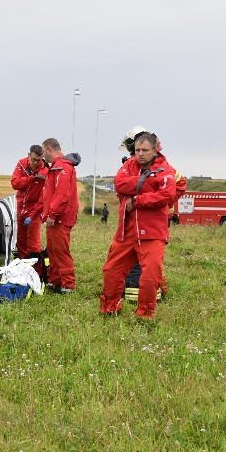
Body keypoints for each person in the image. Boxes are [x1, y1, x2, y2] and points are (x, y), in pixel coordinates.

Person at [99, 132, 176, 319]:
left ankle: (145, 315)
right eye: (137, 150)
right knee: (111, 271)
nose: (140, 154)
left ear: (155, 149)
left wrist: (138, 200)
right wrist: (147, 183)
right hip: (127, 231)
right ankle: (110, 308)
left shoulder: (166, 170)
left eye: (145, 150)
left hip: (152, 233)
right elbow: (119, 184)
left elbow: (167, 195)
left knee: (150, 276)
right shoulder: (128, 165)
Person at [119, 125, 186, 298]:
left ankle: (139, 292)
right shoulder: (134, 164)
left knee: (143, 258)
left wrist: (163, 202)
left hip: (152, 217)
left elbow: (179, 185)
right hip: (137, 215)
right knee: (152, 260)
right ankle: (159, 289)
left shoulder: (161, 167)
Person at [40, 138, 81, 294]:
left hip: (60, 218)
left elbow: (62, 194)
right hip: (55, 217)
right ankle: (56, 280)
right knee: (52, 250)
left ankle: (68, 284)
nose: (43, 156)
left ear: (50, 149)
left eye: (44, 152)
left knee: (61, 250)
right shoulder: (57, 167)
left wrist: (53, 213)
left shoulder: (62, 167)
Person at [10, 144, 48, 271]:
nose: (36, 163)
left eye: (39, 160)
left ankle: (36, 272)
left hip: (35, 210)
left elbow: (43, 198)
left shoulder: (45, 172)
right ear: (29, 155)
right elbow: (15, 183)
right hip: (20, 207)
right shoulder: (21, 164)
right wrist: (31, 179)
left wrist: (33, 215)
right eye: (33, 160)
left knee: (33, 243)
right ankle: (22, 269)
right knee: (20, 242)